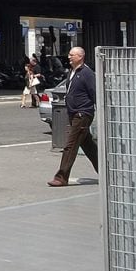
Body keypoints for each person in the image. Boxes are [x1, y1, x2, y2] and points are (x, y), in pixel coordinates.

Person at [48, 47, 99, 187]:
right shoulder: (72, 71)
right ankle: (106, 171)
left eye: (72, 55)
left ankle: (61, 177)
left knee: (70, 145)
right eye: (69, 54)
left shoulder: (87, 73)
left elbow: (95, 93)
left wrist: (99, 109)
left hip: (82, 114)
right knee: (88, 146)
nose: (69, 57)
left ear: (80, 57)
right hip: (74, 113)